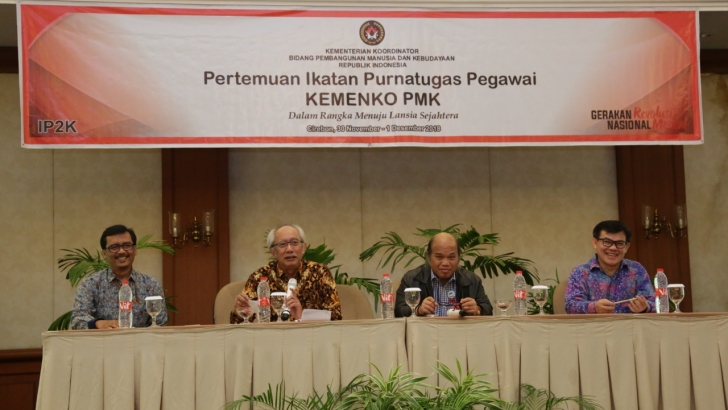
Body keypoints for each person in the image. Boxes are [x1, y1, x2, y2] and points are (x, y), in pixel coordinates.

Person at [231, 224, 342, 323]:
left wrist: (302, 317)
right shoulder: (259, 277)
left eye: (294, 243)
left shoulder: (320, 272)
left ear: (303, 248)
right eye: (282, 244)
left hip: (311, 336)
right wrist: (240, 308)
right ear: (273, 252)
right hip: (272, 337)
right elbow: (237, 323)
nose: (289, 249)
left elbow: (335, 317)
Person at [71, 225, 168, 329]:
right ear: (104, 253)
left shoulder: (151, 285)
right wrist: (99, 324)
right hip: (104, 339)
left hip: (140, 339)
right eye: (114, 247)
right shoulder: (90, 284)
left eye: (127, 245)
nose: (121, 251)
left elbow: (161, 323)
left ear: (135, 250)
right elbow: (77, 320)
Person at [565, 220, 655, 314]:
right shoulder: (580, 272)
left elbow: (654, 303)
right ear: (595, 243)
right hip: (595, 324)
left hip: (630, 323)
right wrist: (594, 308)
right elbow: (571, 306)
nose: (613, 248)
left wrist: (645, 307)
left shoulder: (637, 270)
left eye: (619, 243)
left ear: (626, 247)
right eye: (607, 242)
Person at [394, 232, 493, 317]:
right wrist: (418, 310)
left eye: (451, 257)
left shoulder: (472, 280)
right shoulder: (411, 278)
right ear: (429, 256)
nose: (445, 263)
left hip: (460, 332)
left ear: (459, 257)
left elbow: (488, 309)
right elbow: (399, 311)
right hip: (426, 332)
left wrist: (477, 310)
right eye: (439, 257)